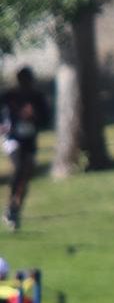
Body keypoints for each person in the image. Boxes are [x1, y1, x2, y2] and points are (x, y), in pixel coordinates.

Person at [2, 66, 51, 231]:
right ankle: (11, 205)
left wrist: (33, 116)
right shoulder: (10, 96)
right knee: (19, 168)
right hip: (13, 138)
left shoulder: (37, 97)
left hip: (29, 140)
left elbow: (45, 119)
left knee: (27, 174)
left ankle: (15, 208)